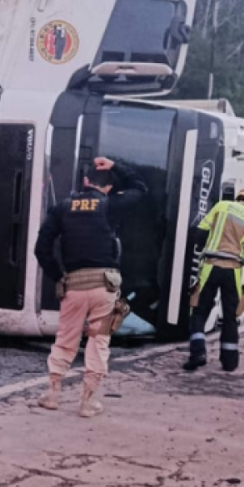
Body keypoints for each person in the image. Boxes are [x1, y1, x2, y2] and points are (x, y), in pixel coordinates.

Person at [34, 156, 147, 417]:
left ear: (85, 182)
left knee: (65, 339)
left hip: (73, 284)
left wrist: (59, 276)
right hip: (105, 286)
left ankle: (52, 394)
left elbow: (42, 249)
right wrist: (115, 165)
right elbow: (140, 188)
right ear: (108, 188)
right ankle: (88, 401)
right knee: (99, 340)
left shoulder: (63, 207)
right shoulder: (111, 204)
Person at [184, 187, 244, 373]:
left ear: (240, 199)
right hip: (233, 272)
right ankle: (229, 362)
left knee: (198, 311)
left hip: (210, 267)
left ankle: (198, 354)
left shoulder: (221, 206)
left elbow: (199, 235)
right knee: (230, 317)